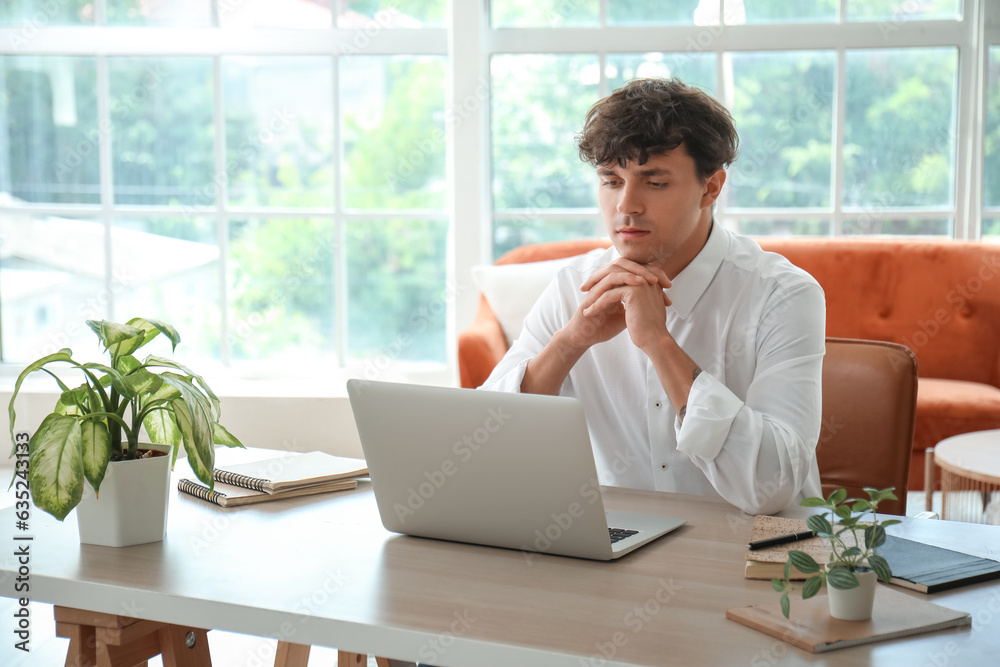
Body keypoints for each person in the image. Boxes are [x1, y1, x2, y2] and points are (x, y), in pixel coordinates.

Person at [481, 77, 825, 515]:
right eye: (611, 180)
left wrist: (658, 344)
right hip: (615, 547)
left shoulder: (783, 295)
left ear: (711, 187)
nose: (626, 205)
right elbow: (488, 445)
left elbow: (771, 488)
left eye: (654, 182)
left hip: (758, 555)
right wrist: (571, 341)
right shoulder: (574, 287)